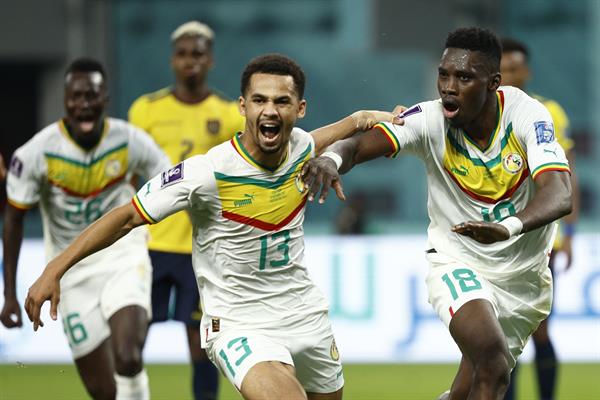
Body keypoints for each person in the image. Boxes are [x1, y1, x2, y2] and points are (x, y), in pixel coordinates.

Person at [23, 53, 401, 400]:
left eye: (281, 102)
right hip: (239, 324)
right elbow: (126, 216)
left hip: (306, 316)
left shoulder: (301, 147)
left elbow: (348, 126)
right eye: (259, 100)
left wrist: (377, 116)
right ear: (243, 106)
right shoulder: (205, 173)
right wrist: (54, 269)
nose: (270, 110)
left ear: (299, 109)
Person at [301, 27, 572, 400]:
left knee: (476, 384)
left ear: (494, 83)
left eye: (464, 77)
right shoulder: (429, 119)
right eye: (444, 74)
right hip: (458, 262)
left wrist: (505, 228)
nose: (449, 86)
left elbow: (560, 194)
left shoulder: (528, 116)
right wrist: (332, 159)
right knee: (492, 362)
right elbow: (361, 143)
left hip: (523, 282)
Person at [1, 58, 171, 399]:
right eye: (77, 96)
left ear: (105, 99)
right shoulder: (37, 153)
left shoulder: (130, 141)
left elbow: (169, 180)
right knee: (105, 392)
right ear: (65, 100)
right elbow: (14, 219)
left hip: (123, 256)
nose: (84, 104)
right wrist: (9, 295)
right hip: (70, 273)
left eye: (92, 96)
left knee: (128, 356)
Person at [128, 20, 245, 400]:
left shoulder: (229, 114)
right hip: (151, 244)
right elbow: (133, 178)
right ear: (172, 60)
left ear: (210, 60)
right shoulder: (145, 110)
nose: (190, 61)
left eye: (197, 54)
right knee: (131, 343)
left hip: (203, 248)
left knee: (203, 348)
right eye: (182, 54)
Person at [500, 37, 580, 400]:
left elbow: (567, 176)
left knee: (540, 330)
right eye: (502, 70)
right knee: (501, 333)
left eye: (514, 68)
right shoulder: (487, 114)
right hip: (502, 238)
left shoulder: (549, 111)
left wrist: (571, 234)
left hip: (544, 238)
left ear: (527, 71)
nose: (509, 75)